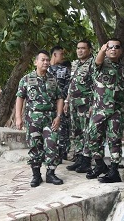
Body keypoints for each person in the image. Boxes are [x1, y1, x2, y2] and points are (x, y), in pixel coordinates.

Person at [82, 38, 124, 183]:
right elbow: (97, 62)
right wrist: (102, 51)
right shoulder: (101, 63)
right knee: (92, 138)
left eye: (117, 47)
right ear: (106, 49)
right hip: (99, 110)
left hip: (117, 111)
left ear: (121, 50)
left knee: (115, 140)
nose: (113, 49)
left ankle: (114, 170)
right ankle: (99, 165)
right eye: (110, 47)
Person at [15, 49, 65, 187]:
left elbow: (60, 98)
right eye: (42, 60)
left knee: (52, 144)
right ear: (35, 62)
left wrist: (59, 116)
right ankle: (36, 175)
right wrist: (18, 117)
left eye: (47, 60)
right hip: (33, 118)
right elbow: (20, 98)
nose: (46, 62)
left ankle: (50, 173)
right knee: (35, 146)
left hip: (50, 118)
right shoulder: (26, 79)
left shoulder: (52, 79)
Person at [63, 40, 94, 172]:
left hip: (86, 104)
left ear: (90, 50)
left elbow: (96, 86)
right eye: (78, 48)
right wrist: (66, 101)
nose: (80, 51)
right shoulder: (77, 64)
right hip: (73, 104)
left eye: (83, 48)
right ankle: (79, 158)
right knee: (76, 132)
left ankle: (86, 160)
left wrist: (93, 104)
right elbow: (72, 85)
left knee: (86, 132)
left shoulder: (93, 64)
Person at [48, 46, 71, 162]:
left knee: (63, 130)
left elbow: (69, 87)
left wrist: (66, 101)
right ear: (54, 55)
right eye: (61, 54)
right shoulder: (45, 70)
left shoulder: (65, 70)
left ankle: (62, 155)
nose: (63, 56)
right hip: (47, 106)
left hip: (61, 105)